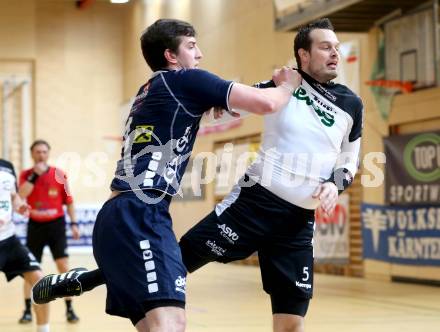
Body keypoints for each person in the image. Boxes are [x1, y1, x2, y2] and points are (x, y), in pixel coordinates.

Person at [32, 17, 362, 332]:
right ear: (303, 54)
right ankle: (88, 279)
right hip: (252, 204)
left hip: (296, 220)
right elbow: (252, 104)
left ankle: (83, 280)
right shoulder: (263, 85)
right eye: (325, 46)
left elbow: (349, 163)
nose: (334, 53)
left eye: (336, 47)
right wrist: (277, 89)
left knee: (290, 321)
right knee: (179, 263)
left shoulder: (351, 105)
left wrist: (335, 184)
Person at [18, 140, 81, 324]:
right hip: (35, 226)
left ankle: (70, 309)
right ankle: (27, 310)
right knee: (29, 269)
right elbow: (21, 195)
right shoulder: (25, 175)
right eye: (38, 152)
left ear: (48, 153)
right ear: (32, 154)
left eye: (44, 152)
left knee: (63, 267)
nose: (41, 155)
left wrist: (74, 223)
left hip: (56, 226)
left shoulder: (59, 174)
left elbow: (69, 201)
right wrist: (34, 177)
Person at [0, 158, 50, 332]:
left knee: (42, 283)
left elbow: (13, 196)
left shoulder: (6, 166)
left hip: (9, 240)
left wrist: (19, 206)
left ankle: (43, 329)